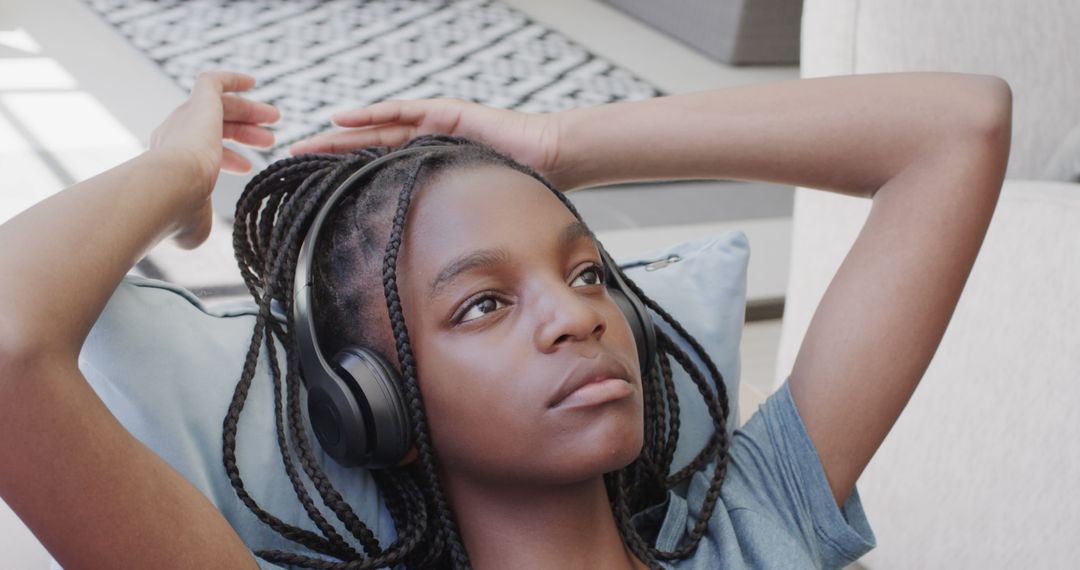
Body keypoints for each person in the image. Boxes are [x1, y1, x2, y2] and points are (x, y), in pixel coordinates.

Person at [0, 69, 1011, 569]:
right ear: (372, 403)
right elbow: (10, 346)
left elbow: (958, 127)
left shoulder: (752, 526)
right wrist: (174, 172)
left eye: (585, 275)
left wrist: (559, 142)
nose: (576, 318)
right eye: (484, 303)